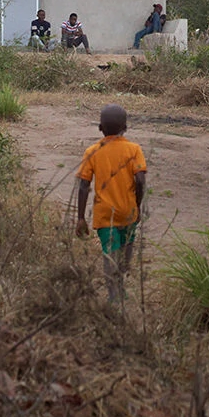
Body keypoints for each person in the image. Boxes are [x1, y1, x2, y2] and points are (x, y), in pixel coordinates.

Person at [76, 104, 148, 304]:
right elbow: (141, 181)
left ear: (100, 128)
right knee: (126, 250)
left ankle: (114, 296)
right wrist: (137, 205)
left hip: (105, 213)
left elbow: (83, 185)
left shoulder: (92, 151)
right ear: (125, 128)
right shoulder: (134, 150)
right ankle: (120, 289)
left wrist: (81, 217)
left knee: (110, 253)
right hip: (128, 211)